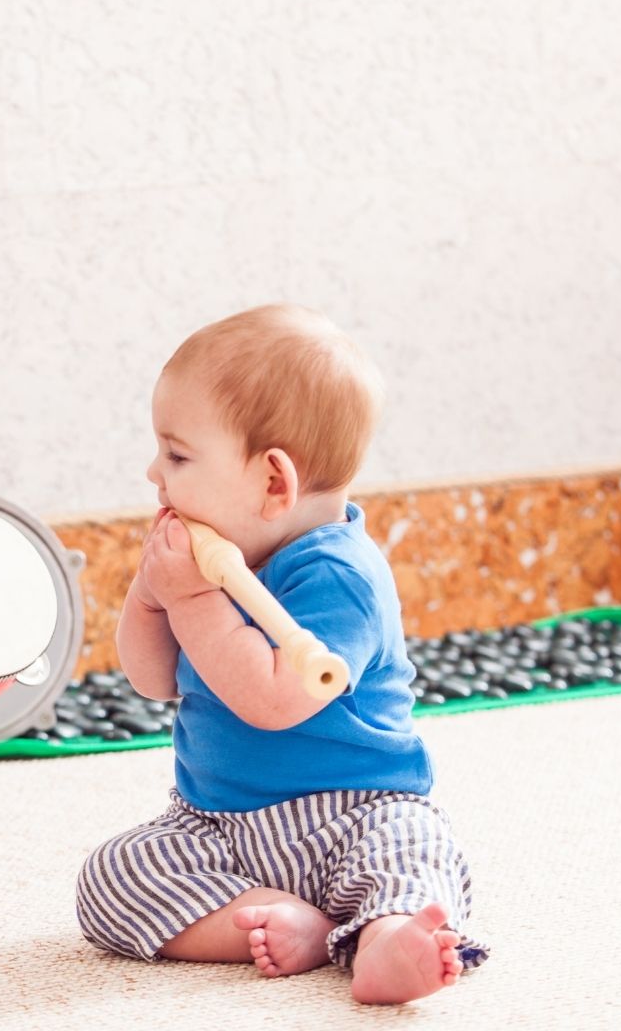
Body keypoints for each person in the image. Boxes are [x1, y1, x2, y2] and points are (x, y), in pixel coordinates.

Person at [75, 304, 485, 1005]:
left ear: (273, 483)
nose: (153, 473)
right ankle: (290, 922)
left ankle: (386, 939)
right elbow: (151, 679)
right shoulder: (211, 563)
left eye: (177, 456)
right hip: (219, 826)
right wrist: (153, 594)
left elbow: (272, 701)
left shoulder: (341, 576)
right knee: (111, 879)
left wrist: (193, 600)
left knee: (412, 853)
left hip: (358, 814)